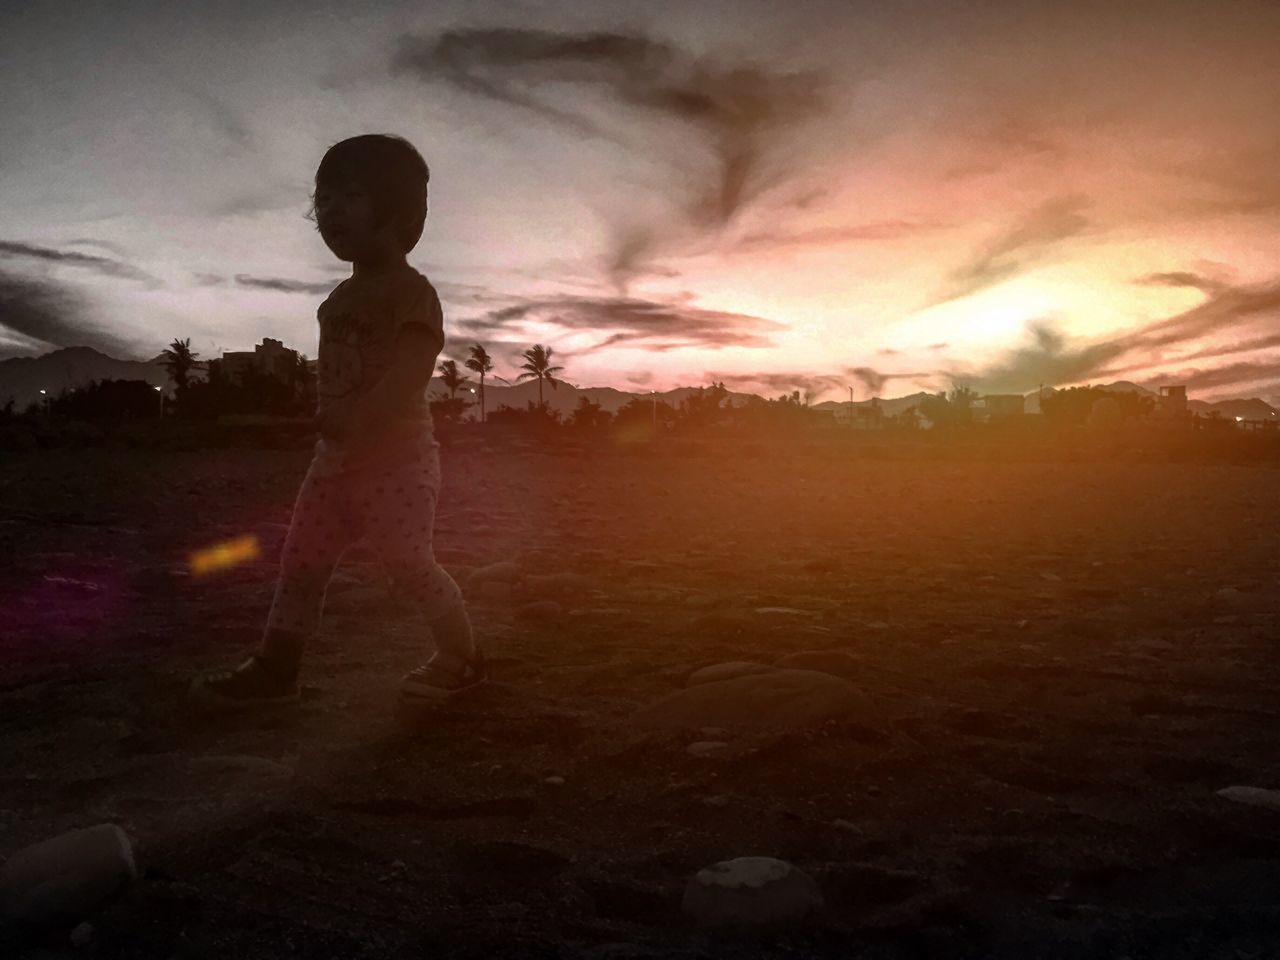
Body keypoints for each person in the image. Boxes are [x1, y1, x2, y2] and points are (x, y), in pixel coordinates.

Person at [190, 133, 484, 709]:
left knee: (407, 563)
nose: (329, 211)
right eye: (322, 200)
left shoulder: (414, 294)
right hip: (334, 465)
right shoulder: (335, 303)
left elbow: (410, 371)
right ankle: (277, 668)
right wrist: (328, 420)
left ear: (397, 212)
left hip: (397, 461)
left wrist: (361, 420)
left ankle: (463, 656)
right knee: (301, 562)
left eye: (348, 196)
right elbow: (336, 375)